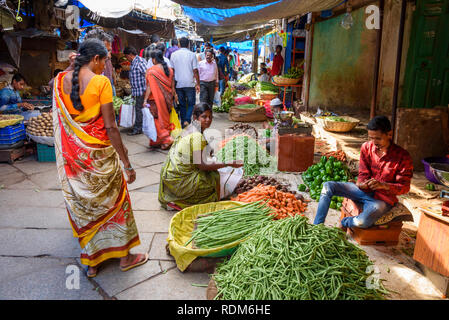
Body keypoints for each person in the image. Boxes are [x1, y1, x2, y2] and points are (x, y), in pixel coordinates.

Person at [52, 39, 148, 278]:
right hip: (101, 157)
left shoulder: (58, 81)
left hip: (74, 159)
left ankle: (93, 262)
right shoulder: (101, 82)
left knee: (85, 206)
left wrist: (70, 66)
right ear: (95, 59)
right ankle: (125, 257)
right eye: (104, 60)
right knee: (117, 202)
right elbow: (111, 127)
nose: (105, 65)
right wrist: (127, 163)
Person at [313, 116, 414, 229]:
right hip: (362, 191)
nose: (374, 142)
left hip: (382, 199)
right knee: (328, 186)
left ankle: (345, 222)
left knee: (362, 222)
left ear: (389, 134)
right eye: (371, 138)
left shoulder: (403, 156)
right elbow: (363, 174)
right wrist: (361, 183)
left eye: (378, 138)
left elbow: (404, 187)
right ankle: (317, 227)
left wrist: (384, 186)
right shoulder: (366, 147)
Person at [158, 103, 243, 210]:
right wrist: (229, 163)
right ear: (195, 117)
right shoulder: (197, 136)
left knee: (214, 168)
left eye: (210, 117)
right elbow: (202, 165)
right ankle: (181, 201)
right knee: (213, 178)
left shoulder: (189, 128)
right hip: (181, 182)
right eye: (204, 117)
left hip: (172, 176)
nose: (208, 120)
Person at [143, 49, 177, 150]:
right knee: (164, 119)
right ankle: (157, 141)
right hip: (167, 98)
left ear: (153, 59)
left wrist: (145, 100)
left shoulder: (151, 71)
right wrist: (174, 96)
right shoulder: (170, 70)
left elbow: (149, 87)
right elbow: (172, 86)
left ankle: (166, 138)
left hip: (155, 99)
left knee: (157, 120)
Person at [170, 37, 200, 127]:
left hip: (178, 83)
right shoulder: (191, 54)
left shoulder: (173, 55)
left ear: (179, 44)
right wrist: (198, 83)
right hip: (189, 83)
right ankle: (187, 120)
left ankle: (184, 123)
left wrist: (172, 86)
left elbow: (172, 71)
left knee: (182, 104)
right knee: (191, 103)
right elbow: (195, 71)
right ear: (188, 44)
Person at [124, 46, 148, 135]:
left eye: (126, 56)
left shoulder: (140, 62)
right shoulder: (134, 62)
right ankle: (139, 127)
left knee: (139, 110)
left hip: (142, 90)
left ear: (130, 55)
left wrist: (146, 90)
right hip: (137, 91)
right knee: (139, 109)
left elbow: (147, 75)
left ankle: (138, 128)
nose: (126, 58)